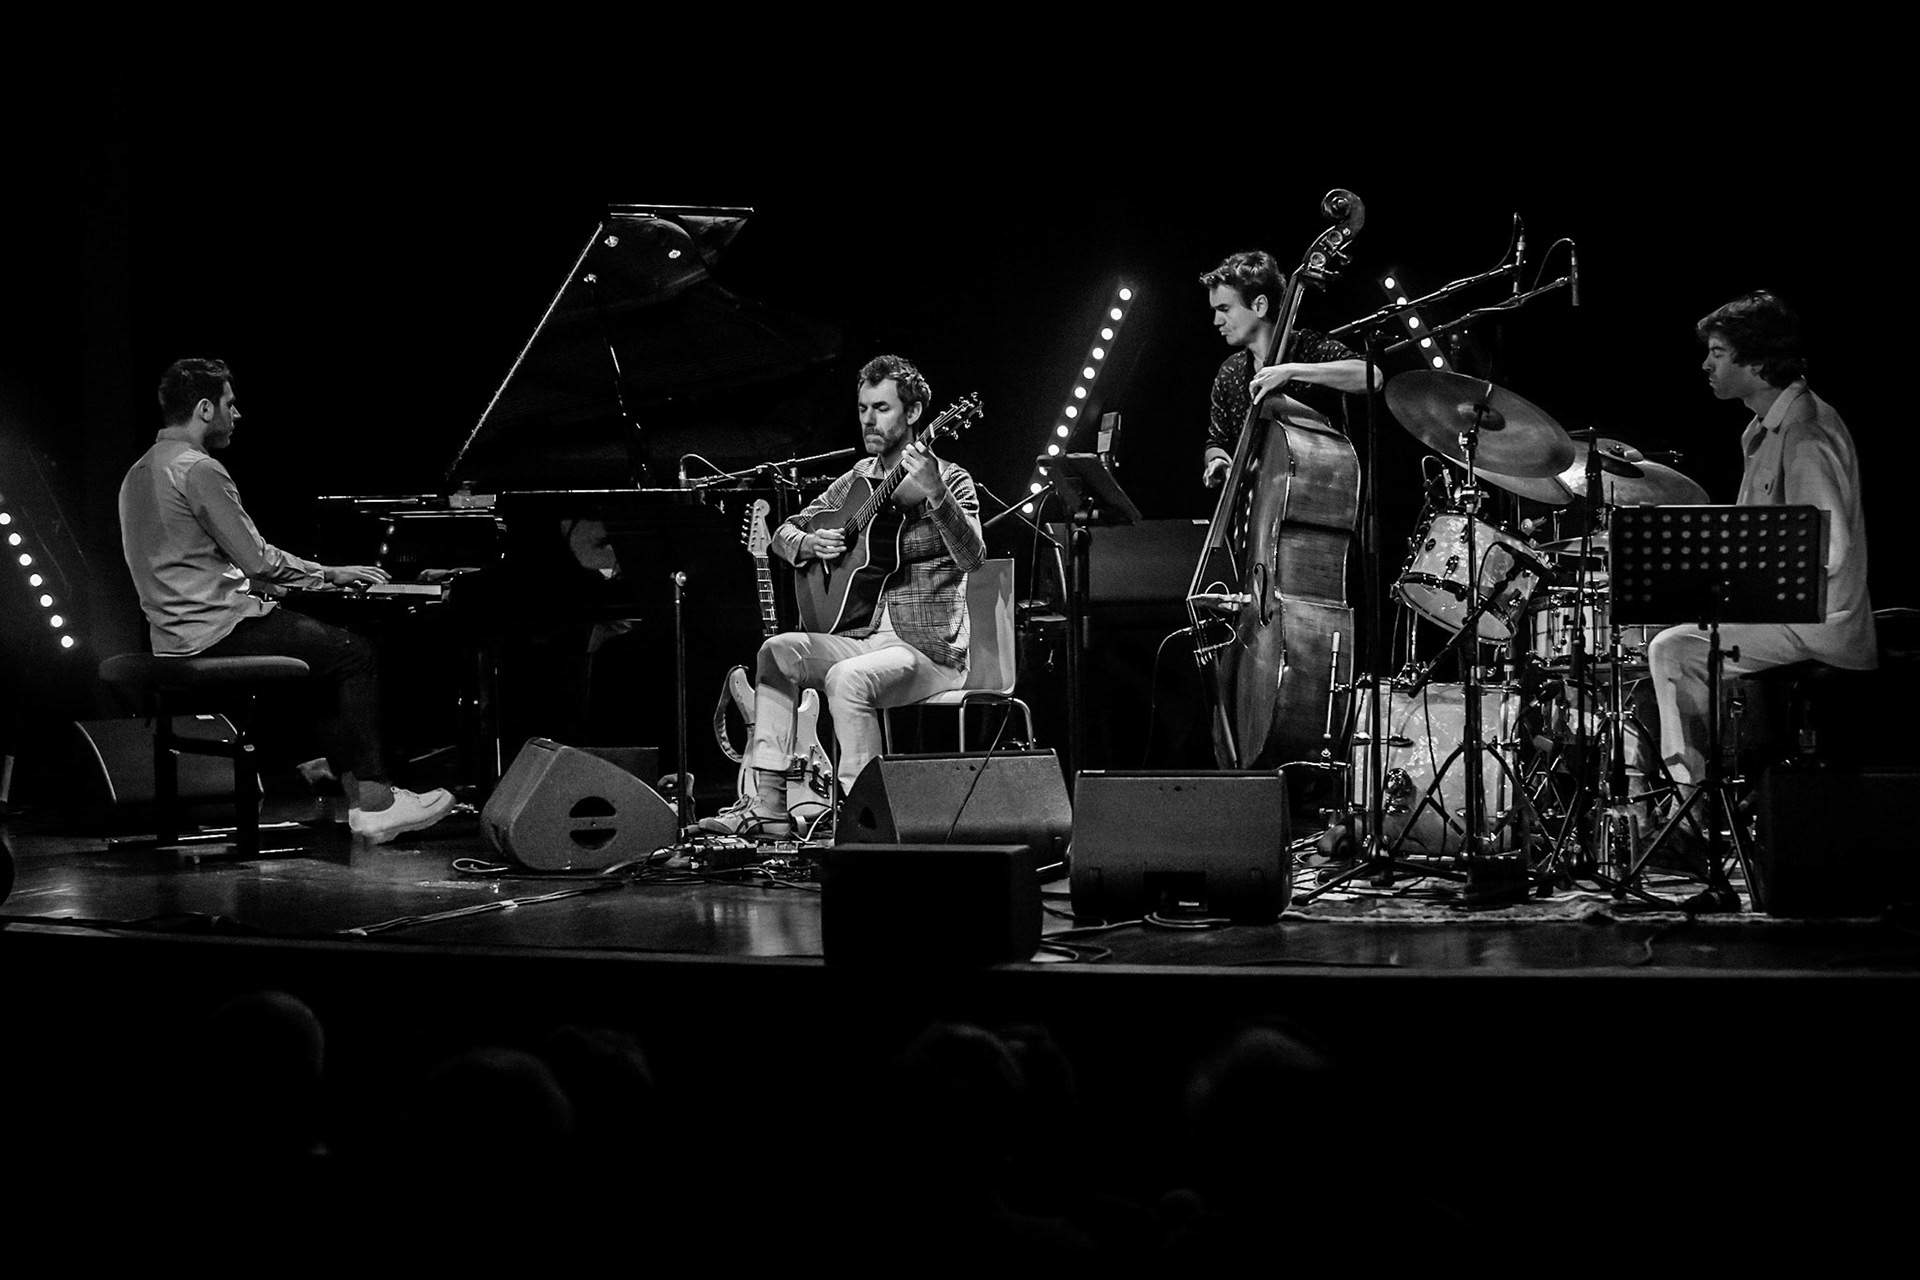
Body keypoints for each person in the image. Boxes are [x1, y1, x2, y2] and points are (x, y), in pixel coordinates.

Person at [117, 358, 454, 844]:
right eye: (230, 404)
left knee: (321, 667)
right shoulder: (199, 470)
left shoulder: (138, 473)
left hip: (171, 636)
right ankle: (377, 800)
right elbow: (259, 561)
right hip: (216, 633)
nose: (237, 414)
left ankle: (365, 803)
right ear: (205, 408)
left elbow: (179, 558)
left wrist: (255, 583)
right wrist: (329, 573)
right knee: (356, 653)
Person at [700, 354, 986, 839]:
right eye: (862, 409)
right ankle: (765, 804)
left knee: (846, 679)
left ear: (914, 414)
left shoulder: (950, 476)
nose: (869, 421)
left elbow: (973, 556)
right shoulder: (857, 477)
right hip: (862, 636)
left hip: (927, 648)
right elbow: (783, 533)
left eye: (882, 408)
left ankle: (863, 820)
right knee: (778, 651)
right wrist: (808, 543)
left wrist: (937, 493)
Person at [1646, 291, 1875, 796]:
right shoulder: (1769, 428)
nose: (1706, 364)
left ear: (1755, 359)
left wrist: (1740, 571)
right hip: (1796, 615)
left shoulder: (1805, 434)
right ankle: (1718, 790)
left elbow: (1826, 549)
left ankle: (1692, 807)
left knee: (1672, 649)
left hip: (1820, 625)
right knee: (1675, 637)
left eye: (1718, 353)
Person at [1199, 250, 1378, 487]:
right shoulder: (1230, 372)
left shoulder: (1308, 348)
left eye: (1224, 309)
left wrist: (1291, 370)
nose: (1217, 321)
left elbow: (1371, 376)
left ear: (1260, 306)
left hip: (1318, 492)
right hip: (1254, 509)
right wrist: (1218, 460)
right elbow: (1217, 441)